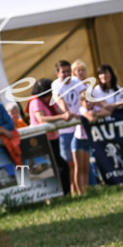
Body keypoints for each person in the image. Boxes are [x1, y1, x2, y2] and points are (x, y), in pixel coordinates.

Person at [27, 77, 71, 195]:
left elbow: (61, 111)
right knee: (48, 169)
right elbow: (41, 119)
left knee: (60, 167)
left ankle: (63, 194)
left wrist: (65, 110)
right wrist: (62, 117)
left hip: (53, 138)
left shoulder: (49, 100)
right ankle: (57, 195)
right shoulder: (35, 101)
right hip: (41, 140)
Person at [52, 59, 88, 196]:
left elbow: (84, 93)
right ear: (57, 73)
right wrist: (67, 112)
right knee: (70, 164)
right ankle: (72, 191)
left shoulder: (75, 81)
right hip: (65, 130)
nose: (66, 74)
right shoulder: (56, 84)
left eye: (68, 71)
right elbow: (59, 99)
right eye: (63, 72)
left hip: (79, 128)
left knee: (81, 162)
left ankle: (81, 191)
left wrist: (84, 108)